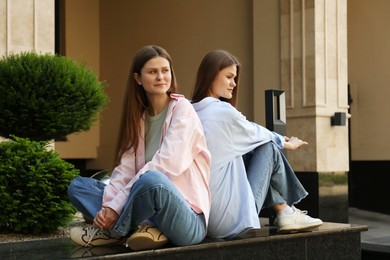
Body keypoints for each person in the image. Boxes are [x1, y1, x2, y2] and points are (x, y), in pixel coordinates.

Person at [68, 45, 211, 251]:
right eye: (153, 72)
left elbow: (164, 166)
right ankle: (139, 228)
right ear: (137, 79)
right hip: (144, 209)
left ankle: (114, 232)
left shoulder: (183, 111)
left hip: (187, 218)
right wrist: (109, 207)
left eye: (165, 70)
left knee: (153, 180)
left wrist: (116, 209)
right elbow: (124, 171)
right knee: (79, 187)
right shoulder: (139, 119)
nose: (161, 77)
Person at [191, 50, 322, 239]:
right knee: (268, 147)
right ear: (211, 75)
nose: (234, 84)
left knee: (248, 149)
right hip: (229, 221)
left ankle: (285, 211)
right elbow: (254, 132)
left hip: (203, 219)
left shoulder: (190, 110)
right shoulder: (222, 112)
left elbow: (250, 132)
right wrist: (286, 143)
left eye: (234, 78)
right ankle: (287, 210)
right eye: (228, 77)